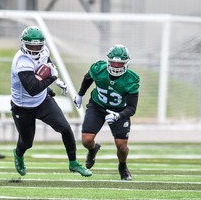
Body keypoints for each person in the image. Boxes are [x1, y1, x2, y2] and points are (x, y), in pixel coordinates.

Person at [10, 26, 92, 177]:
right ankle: (18, 154)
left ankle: (73, 163)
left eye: (38, 46)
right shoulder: (22, 62)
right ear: (23, 44)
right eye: (31, 46)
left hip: (42, 101)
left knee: (65, 128)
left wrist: (55, 77)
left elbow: (47, 63)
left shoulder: (44, 51)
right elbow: (33, 89)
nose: (35, 49)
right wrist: (52, 79)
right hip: (23, 106)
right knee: (27, 143)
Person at [74, 44, 140, 180]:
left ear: (126, 63)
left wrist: (119, 115)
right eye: (113, 63)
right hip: (97, 106)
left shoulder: (131, 79)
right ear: (108, 61)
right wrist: (80, 94)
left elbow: (132, 108)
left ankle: (123, 166)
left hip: (120, 110)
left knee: (121, 146)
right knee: (86, 140)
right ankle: (93, 149)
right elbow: (88, 78)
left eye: (119, 64)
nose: (116, 66)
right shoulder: (99, 69)